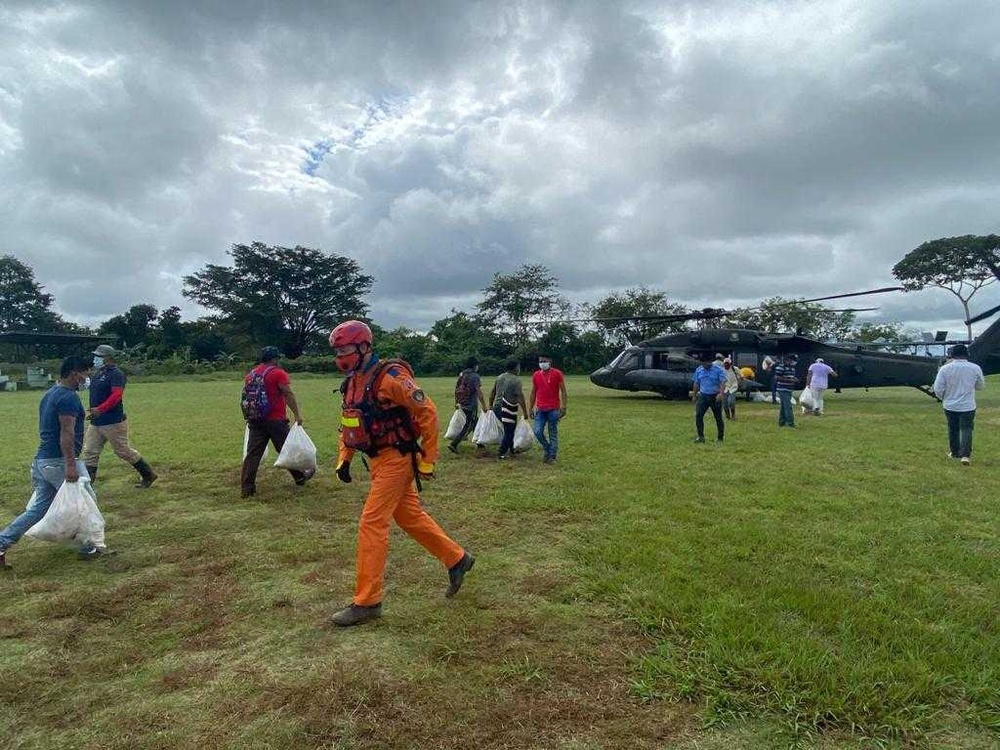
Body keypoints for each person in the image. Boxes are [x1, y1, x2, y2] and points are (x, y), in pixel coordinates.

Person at [328, 320, 474, 627]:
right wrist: (345, 457)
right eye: (337, 351)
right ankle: (457, 559)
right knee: (408, 517)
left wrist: (429, 460)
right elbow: (351, 422)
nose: (341, 356)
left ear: (364, 347)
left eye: (346, 349)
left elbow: (427, 411)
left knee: (372, 521)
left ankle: (367, 602)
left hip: (398, 460)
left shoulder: (392, 377)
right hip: (378, 460)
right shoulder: (353, 381)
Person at [1, 356, 110, 570]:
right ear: (73, 373)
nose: (87, 377)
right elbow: (66, 433)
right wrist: (70, 464)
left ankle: (2, 542)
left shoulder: (51, 393)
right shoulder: (68, 398)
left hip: (43, 461)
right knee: (85, 501)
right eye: (85, 373)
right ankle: (90, 545)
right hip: (58, 461)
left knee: (38, 510)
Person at [239, 346, 312, 499]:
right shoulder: (278, 373)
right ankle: (300, 477)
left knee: (253, 454)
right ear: (274, 358)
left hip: (255, 419)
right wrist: (297, 414)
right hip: (275, 420)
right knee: (287, 449)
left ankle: (247, 488)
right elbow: (287, 393)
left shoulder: (251, 374)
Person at [81, 344, 158, 488]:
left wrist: (101, 409)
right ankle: (87, 486)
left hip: (113, 421)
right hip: (97, 421)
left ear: (107, 357)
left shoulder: (116, 374)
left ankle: (148, 474)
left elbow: (116, 395)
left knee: (123, 451)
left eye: (98, 356)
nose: (95, 359)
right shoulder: (98, 373)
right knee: (90, 451)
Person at [932, 344, 985, 466]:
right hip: (968, 405)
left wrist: (942, 398)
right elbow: (980, 386)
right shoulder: (975, 368)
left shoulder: (945, 369)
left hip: (950, 405)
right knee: (967, 429)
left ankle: (955, 452)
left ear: (952, 355)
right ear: (967, 355)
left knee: (953, 428)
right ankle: (965, 455)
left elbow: (938, 388)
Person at [529, 355, 567, 463]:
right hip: (540, 409)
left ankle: (552, 456)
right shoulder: (536, 375)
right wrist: (530, 408)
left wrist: (564, 407)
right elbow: (533, 392)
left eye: (544, 361)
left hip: (553, 409)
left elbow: (563, 391)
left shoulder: (557, 373)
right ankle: (547, 448)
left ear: (550, 361)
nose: (542, 363)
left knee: (552, 433)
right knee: (537, 431)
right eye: (540, 361)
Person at [447, 356, 488, 454]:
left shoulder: (462, 374)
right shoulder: (475, 376)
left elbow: (457, 389)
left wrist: (456, 402)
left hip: (462, 403)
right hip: (471, 405)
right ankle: (454, 444)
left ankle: (479, 443)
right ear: (474, 366)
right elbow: (479, 392)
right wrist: (484, 405)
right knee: (468, 425)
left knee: (475, 423)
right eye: (477, 365)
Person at [488, 360, 529, 459]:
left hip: (497, 407)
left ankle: (511, 449)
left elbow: (493, 392)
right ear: (515, 368)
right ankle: (502, 452)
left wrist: (490, 405)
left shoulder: (500, 377)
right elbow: (519, 396)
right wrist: (525, 411)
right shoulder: (516, 380)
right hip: (508, 408)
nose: (519, 369)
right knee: (509, 431)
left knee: (509, 429)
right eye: (518, 367)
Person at [691, 354, 726, 442]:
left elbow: (723, 383)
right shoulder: (699, 370)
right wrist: (694, 395)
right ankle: (701, 437)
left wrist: (720, 394)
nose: (705, 365)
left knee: (718, 418)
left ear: (710, 362)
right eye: (703, 364)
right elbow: (696, 383)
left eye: (706, 363)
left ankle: (720, 438)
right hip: (703, 396)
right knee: (698, 415)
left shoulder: (718, 370)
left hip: (715, 396)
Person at [772, 354, 800, 427]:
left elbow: (790, 376)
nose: (793, 362)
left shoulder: (792, 368)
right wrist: (789, 380)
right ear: (788, 360)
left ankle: (782, 422)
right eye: (793, 360)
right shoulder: (780, 367)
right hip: (782, 389)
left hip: (789, 389)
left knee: (784, 407)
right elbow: (776, 377)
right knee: (788, 406)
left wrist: (794, 379)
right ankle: (791, 423)